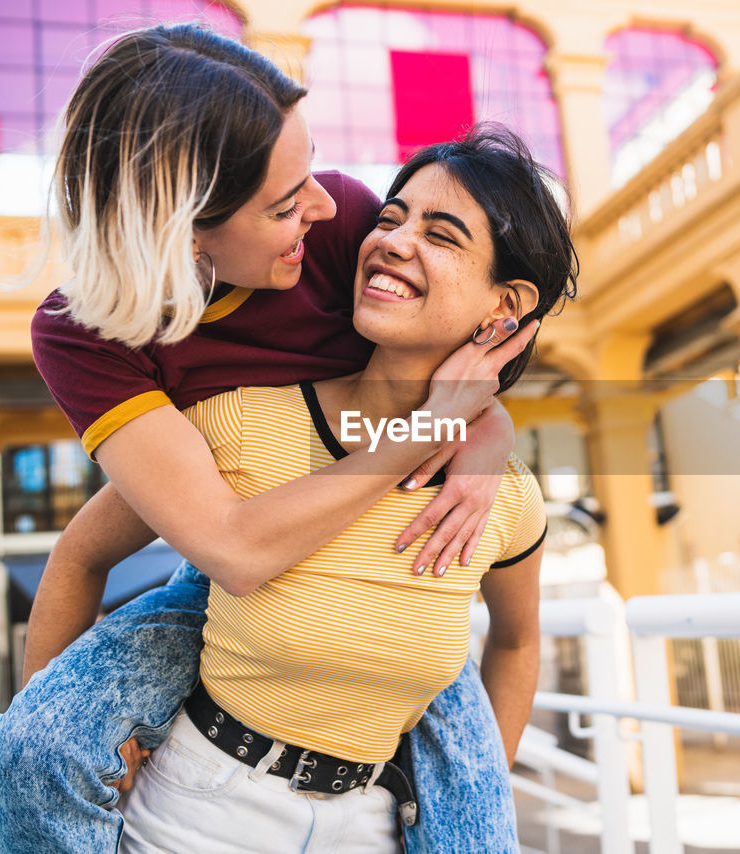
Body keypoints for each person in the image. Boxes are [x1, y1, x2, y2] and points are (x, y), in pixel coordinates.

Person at [0, 24, 546, 854]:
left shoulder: (340, 223)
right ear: (185, 227)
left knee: (471, 800)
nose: (326, 208)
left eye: (310, 171)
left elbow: (433, 350)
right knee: (37, 747)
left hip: (379, 587)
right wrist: (77, 724)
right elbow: (226, 551)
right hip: (227, 559)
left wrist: (484, 424)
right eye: (285, 202)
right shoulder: (87, 335)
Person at [118, 124, 575, 852]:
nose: (392, 241)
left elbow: (518, 643)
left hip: (375, 823)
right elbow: (80, 557)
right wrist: (80, 731)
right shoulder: (237, 420)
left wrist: (480, 786)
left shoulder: (504, 498)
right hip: (196, 815)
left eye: (442, 235)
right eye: (391, 219)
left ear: (505, 306)